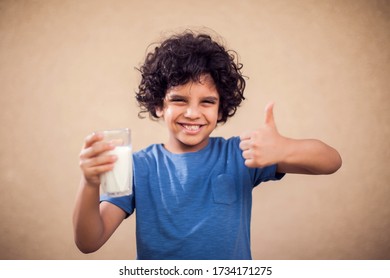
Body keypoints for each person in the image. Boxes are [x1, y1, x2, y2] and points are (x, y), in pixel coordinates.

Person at [73, 31, 342, 260]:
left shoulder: (240, 154)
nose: (192, 113)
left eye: (207, 102)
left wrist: (284, 148)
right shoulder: (137, 166)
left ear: (221, 108)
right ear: (158, 105)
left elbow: (331, 161)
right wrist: (90, 182)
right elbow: (89, 242)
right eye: (179, 100)